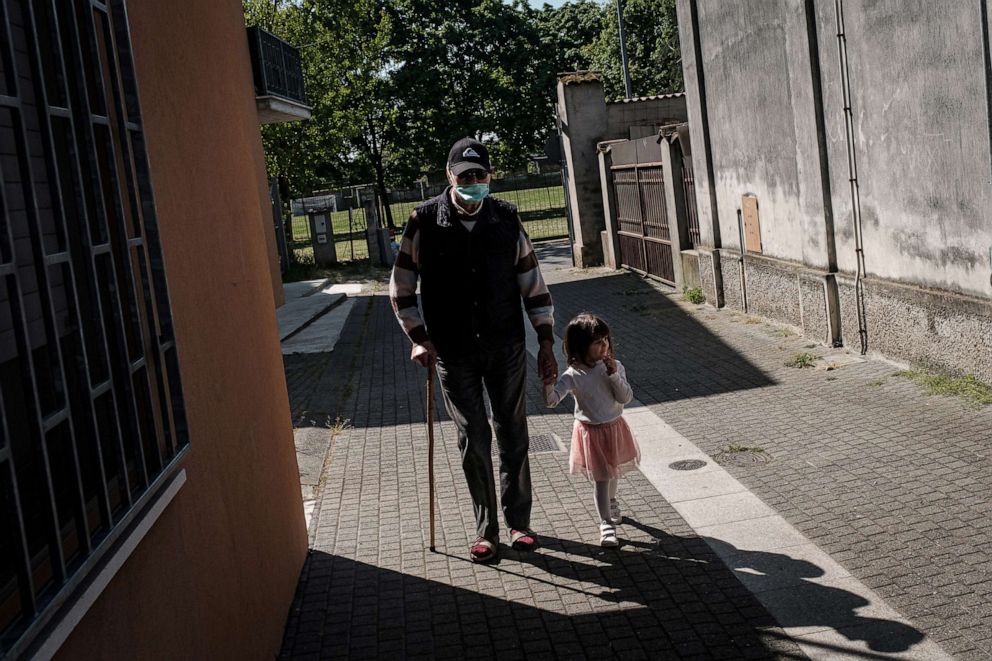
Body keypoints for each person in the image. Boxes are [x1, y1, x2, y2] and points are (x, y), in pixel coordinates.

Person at [389, 137, 558, 563]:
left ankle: (519, 523)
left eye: (480, 175)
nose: (473, 182)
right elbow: (401, 288)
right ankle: (487, 531)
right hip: (452, 350)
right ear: (450, 177)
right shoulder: (424, 221)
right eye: (465, 176)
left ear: (490, 177)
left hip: (506, 345)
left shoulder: (506, 218)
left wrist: (546, 339)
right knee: (473, 438)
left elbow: (532, 283)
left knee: (513, 433)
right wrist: (418, 337)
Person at [544, 312, 640, 547]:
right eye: (597, 342)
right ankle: (605, 522)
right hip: (590, 433)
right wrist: (548, 382)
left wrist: (614, 375)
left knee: (613, 470)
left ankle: (612, 500)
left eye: (606, 339)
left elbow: (625, 397)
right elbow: (552, 401)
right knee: (601, 478)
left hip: (615, 427)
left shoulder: (615, 367)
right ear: (581, 347)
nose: (604, 345)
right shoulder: (574, 374)